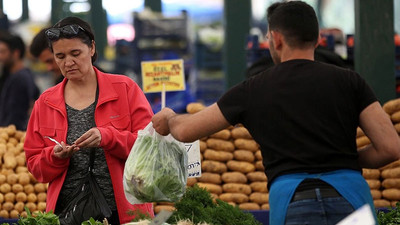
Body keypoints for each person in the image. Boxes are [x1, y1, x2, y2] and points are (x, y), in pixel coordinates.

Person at [152, 1, 400, 225]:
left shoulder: (252, 89)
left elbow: (185, 131)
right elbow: (390, 147)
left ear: (276, 39)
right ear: (317, 39)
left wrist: (170, 118)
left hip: (293, 201)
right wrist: (347, 159)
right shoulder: (350, 81)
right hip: (352, 199)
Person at [23, 16, 154, 224]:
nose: (68, 62)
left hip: (125, 214)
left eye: (76, 53)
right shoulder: (45, 103)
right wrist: (55, 156)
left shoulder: (125, 89)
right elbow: (34, 165)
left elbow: (150, 148)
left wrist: (109, 137)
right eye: (60, 56)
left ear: (92, 48)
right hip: (67, 213)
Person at [0, 32, 40, 130]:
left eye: (2, 52)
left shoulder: (20, 78)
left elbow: (15, 116)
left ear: (16, 53)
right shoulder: (13, 75)